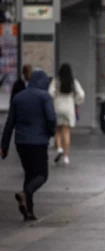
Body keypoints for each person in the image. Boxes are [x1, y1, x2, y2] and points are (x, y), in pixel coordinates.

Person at [1, 70, 57, 221]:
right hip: (38, 142)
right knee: (42, 175)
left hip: (21, 143)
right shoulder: (44, 97)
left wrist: (4, 146)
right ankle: (25, 194)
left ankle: (29, 212)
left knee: (29, 174)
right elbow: (51, 118)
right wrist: (51, 132)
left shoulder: (18, 97)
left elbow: (10, 123)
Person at [49, 63, 85, 165]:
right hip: (69, 107)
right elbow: (81, 94)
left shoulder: (56, 80)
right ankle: (66, 157)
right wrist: (77, 101)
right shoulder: (73, 81)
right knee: (66, 132)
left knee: (58, 130)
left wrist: (55, 96)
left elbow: (50, 92)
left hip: (57, 106)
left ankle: (59, 148)